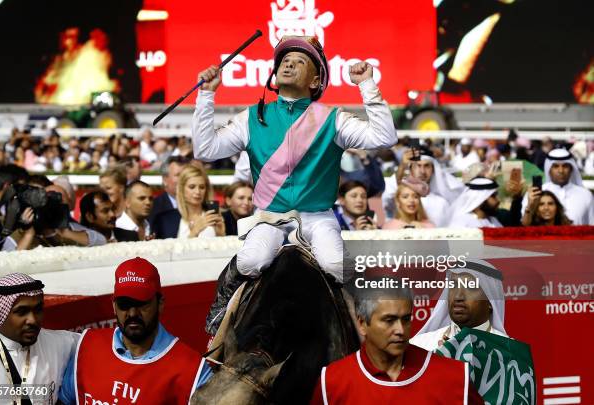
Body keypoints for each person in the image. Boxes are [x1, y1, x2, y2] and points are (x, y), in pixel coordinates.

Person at [194, 35, 397, 332]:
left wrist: (367, 85)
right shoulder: (252, 117)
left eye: (299, 61)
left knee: (334, 264)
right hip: (269, 218)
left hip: (317, 218)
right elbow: (205, 150)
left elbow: (385, 137)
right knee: (252, 259)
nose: (288, 64)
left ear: (315, 81)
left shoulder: (333, 119)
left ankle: (364, 326)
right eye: (284, 61)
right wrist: (206, 96)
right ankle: (221, 304)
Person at [58, 257, 206, 404]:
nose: (133, 313)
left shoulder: (192, 369)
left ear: (160, 304)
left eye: (142, 304)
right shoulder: (88, 345)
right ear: (114, 306)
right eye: (125, 304)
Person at [310, 285, 483, 404]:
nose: (400, 329)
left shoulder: (455, 377)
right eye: (389, 320)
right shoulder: (332, 382)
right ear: (362, 324)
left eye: (406, 319)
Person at [0, 273, 79, 405]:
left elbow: (98, 344)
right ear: (0, 314)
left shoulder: (60, 343)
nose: (33, 320)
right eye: (22, 312)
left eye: (38, 310)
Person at [410, 260, 508, 351]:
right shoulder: (419, 346)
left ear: (491, 302)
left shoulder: (511, 353)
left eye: (470, 287)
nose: (458, 296)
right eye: (453, 286)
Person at [382, 148, 462, 227]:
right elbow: (385, 200)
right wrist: (402, 167)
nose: (422, 171)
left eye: (427, 166)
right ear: (411, 169)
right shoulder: (400, 198)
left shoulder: (442, 203)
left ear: (433, 170)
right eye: (418, 166)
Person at [521, 148, 593, 225]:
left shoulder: (586, 195)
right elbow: (525, 225)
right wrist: (530, 206)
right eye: (555, 166)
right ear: (549, 169)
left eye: (565, 166)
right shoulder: (534, 193)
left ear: (571, 169)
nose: (561, 171)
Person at [152, 165, 225, 239]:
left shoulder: (216, 217)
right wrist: (195, 232)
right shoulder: (165, 219)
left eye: (202, 187)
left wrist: (221, 234)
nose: (197, 192)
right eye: (192, 187)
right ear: (182, 189)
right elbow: (166, 249)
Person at [148, 156, 188, 227]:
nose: (183, 179)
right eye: (178, 175)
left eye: (185, 175)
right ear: (165, 180)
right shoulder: (154, 208)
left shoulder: (198, 204)